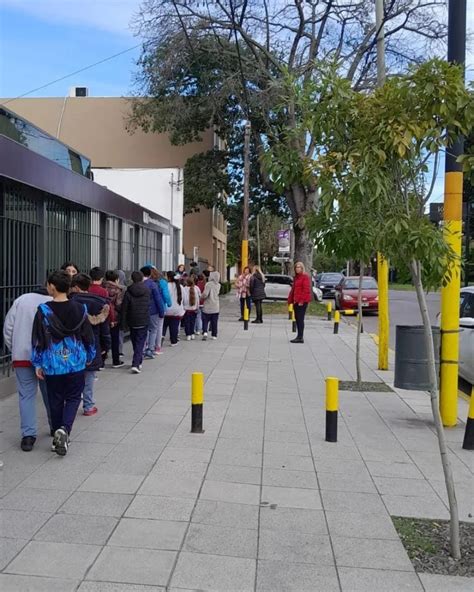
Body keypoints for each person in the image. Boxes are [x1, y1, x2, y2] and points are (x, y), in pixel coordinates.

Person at [31, 270, 95, 456]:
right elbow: (88, 336)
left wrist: (37, 362)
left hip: (53, 363)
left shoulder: (43, 311)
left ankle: (58, 431)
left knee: (55, 399)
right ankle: (64, 430)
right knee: (74, 397)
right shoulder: (80, 309)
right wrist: (90, 354)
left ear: (52, 286)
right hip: (76, 362)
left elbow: (37, 339)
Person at [3, 288, 53, 451]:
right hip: (46, 357)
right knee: (50, 393)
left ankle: (28, 436)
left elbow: (8, 328)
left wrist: (15, 348)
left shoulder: (21, 300)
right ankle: (54, 426)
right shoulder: (53, 301)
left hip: (22, 355)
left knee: (26, 396)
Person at [70, 273, 111, 415]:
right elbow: (105, 331)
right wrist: (106, 346)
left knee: (72, 378)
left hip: (71, 345)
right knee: (89, 377)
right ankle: (88, 406)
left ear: (75, 287)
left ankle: (71, 404)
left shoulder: (68, 302)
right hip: (92, 345)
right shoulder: (99, 303)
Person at [120, 271, 151, 374]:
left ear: (132, 279)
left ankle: (138, 361)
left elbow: (124, 308)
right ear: (142, 279)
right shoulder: (146, 290)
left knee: (135, 341)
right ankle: (136, 364)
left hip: (132, 320)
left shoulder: (128, 291)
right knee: (140, 342)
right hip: (144, 319)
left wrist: (123, 323)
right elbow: (148, 305)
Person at [89, 267, 114, 368]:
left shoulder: (87, 289)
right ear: (102, 278)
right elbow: (108, 306)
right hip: (102, 319)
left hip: (88, 319)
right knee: (101, 341)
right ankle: (99, 362)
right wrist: (112, 319)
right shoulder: (103, 291)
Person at [140, 266, 165, 359]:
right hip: (153, 311)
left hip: (141, 311)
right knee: (153, 330)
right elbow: (158, 299)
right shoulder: (153, 284)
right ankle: (150, 349)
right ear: (150, 274)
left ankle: (142, 349)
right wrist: (161, 312)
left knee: (144, 330)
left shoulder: (138, 284)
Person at [104, 270, 126, 368]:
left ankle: (102, 360)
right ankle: (116, 361)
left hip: (104, 315)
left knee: (103, 337)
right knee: (115, 338)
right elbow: (118, 305)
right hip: (115, 317)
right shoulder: (119, 290)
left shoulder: (103, 287)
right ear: (117, 279)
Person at [288, 261, 312, 343]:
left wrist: (301, 300)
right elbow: (293, 289)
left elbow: (306, 290)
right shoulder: (296, 277)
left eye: (299, 267)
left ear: (302, 268)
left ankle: (300, 337)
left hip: (302, 301)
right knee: (297, 318)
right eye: (296, 267)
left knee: (300, 318)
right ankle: (299, 335)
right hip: (296, 300)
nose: (297, 269)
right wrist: (290, 300)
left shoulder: (305, 277)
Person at [151, 267, 171, 355]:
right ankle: (157, 347)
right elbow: (166, 294)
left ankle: (147, 346)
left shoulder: (146, 282)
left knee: (149, 329)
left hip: (147, 309)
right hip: (160, 307)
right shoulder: (162, 282)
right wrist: (169, 303)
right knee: (158, 328)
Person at [163, 271, 185, 346]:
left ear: (168, 277)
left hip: (166, 309)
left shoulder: (166, 285)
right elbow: (184, 298)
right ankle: (173, 341)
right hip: (177, 310)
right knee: (174, 326)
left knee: (163, 326)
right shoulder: (180, 287)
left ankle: (160, 340)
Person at [201, 271, 221, 340]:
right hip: (216, 306)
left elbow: (205, 294)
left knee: (205, 320)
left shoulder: (208, 284)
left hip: (208, 305)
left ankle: (205, 332)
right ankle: (214, 335)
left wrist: (201, 297)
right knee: (214, 321)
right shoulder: (219, 285)